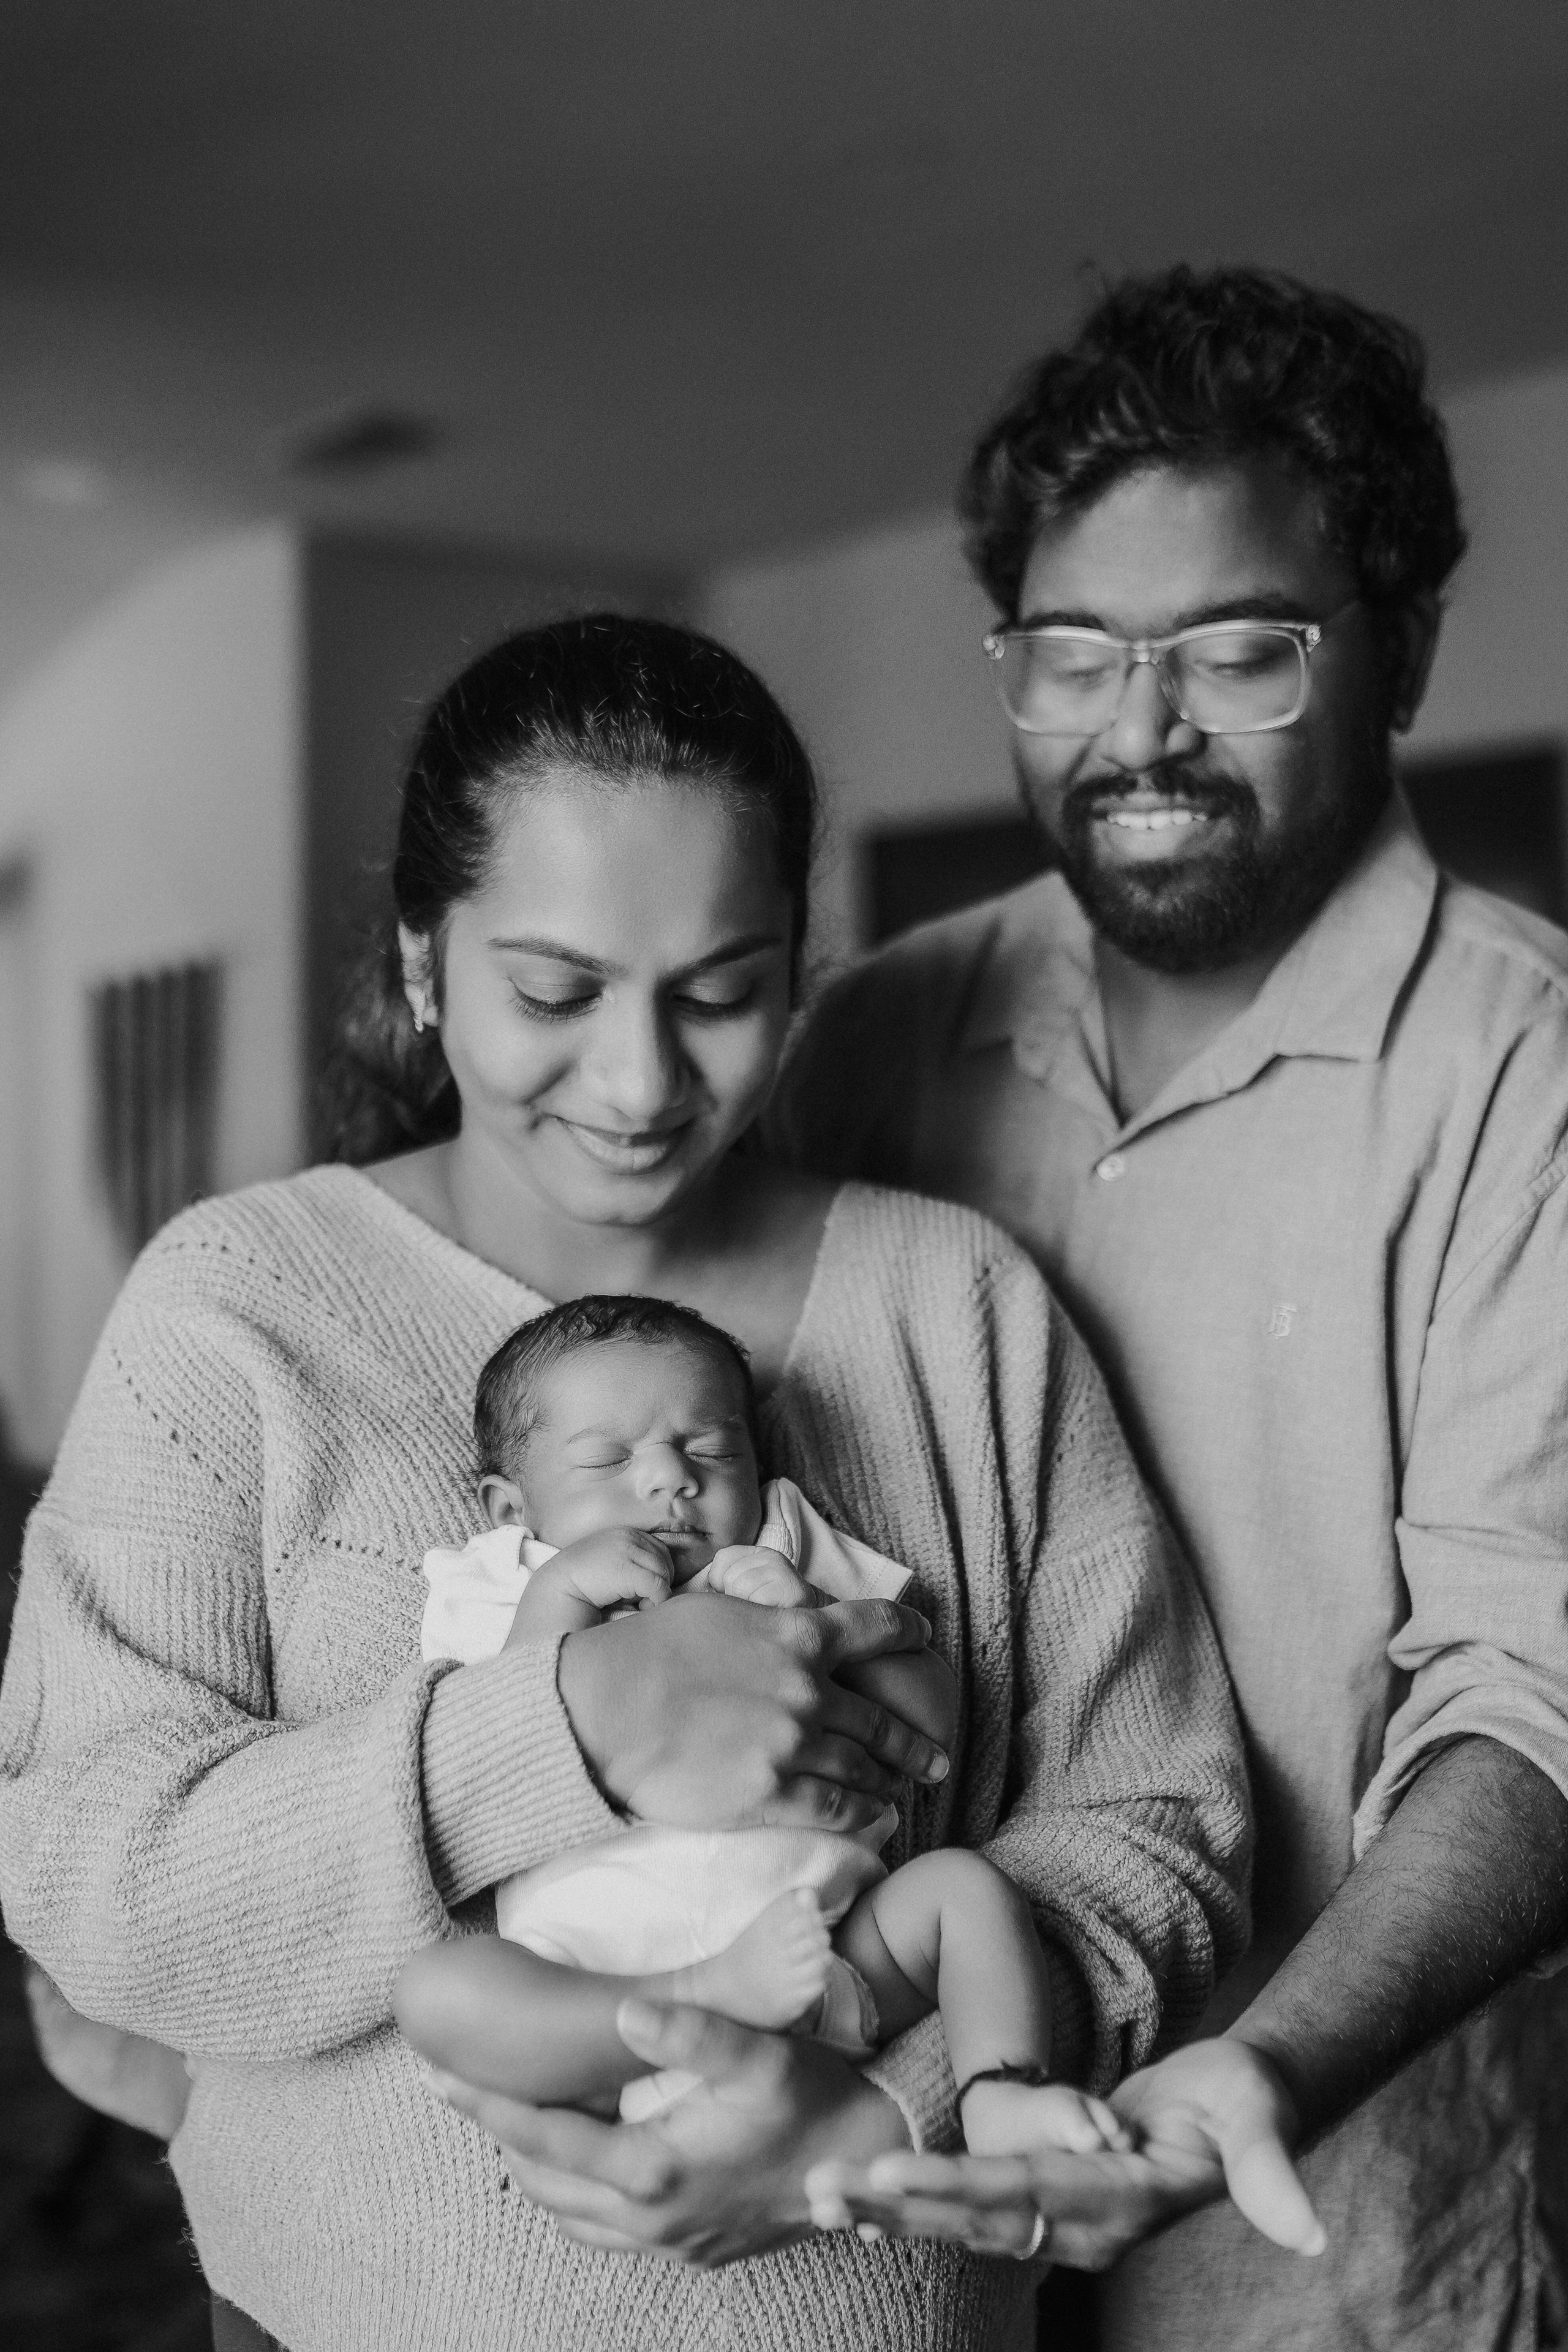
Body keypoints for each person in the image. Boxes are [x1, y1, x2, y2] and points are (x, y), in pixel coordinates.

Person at [0, 614, 1248, 2352]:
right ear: (425, 966)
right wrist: (564, 1729)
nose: (643, 1082)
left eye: (720, 994)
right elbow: (93, 1875)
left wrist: (880, 2112)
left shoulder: (953, 1303)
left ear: (797, 976)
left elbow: (1161, 1821)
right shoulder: (235, 1312)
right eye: (555, 993)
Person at [775, 268, 1568, 2348]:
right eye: (1072, 655)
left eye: (1238, 651)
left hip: (1326, 2240)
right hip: (894, 2228)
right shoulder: (873, 1036)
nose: (1140, 732)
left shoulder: (1526, 1074)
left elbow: (1540, 1692)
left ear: (1401, 652)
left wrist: (1267, 2069)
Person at [395, 1292, 1131, 2164]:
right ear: (511, 1510)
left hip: (828, 1957)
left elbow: (931, 1729)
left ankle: (1001, 2095)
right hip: (599, 1985)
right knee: (438, 1991)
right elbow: (497, 1749)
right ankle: (704, 1991)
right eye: (608, 1459)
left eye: (711, 1449)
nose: (672, 1478)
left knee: (965, 1890)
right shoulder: (504, 1578)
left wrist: (815, 1611)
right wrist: (561, 1595)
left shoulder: (785, 1542)